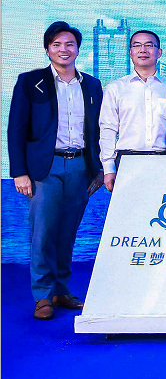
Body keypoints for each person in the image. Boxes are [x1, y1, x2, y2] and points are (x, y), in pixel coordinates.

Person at [8, 22, 104, 320]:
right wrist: (19, 172)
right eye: (56, 44)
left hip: (81, 166)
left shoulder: (92, 85)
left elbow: (98, 130)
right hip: (44, 168)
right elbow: (16, 128)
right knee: (43, 233)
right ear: (47, 49)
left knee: (68, 232)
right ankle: (42, 296)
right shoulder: (31, 81)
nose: (64, 49)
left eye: (69, 44)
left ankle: (61, 290)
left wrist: (99, 169)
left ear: (78, 49)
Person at [99, 30, 166, 192]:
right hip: (127, 162)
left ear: (159, 52)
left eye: (149, 45)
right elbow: (108, 129)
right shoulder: (115, 88)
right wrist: (108, 168)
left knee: (165, 206)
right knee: (128, 207)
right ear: (130, 52)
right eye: (137, 46)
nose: (143, 50)